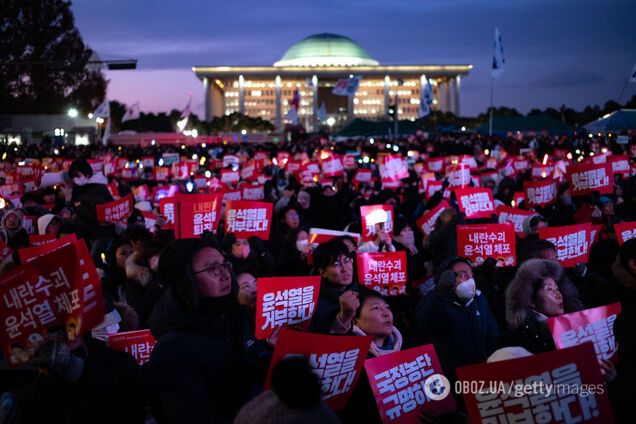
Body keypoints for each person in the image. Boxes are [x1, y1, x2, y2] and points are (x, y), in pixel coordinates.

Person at [144, 238, 248, 423]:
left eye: (224, 264)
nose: (224, 275)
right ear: (185, 280)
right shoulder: (171, 351)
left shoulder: (228, 315)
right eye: (212, 269)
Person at [415, 257, 499, 377]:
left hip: (482, 371)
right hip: (453, 376)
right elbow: (423, 319)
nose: (470, 279)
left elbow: (493, 334)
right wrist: (439, 291)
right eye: (463, 275)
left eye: (471, 274)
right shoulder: (436, 304)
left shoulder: (479, 299)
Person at [500, 258, 583, 353]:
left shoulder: (574, 324)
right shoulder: (516, 340)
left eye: (557, 288)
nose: (559, 295)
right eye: (550, 289)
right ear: (530, 300)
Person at [309, 239, 359, 334]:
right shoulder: (313, 304)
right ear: (323, 272)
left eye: (346, 261)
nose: (344, 269)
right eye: (336, 264)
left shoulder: (363, 292)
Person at [352, 289, 403, 357]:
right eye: (376, 308)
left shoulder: (409, 349)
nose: (387, 313)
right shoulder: (352, 360)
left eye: (387, 307)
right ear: (355, 322)